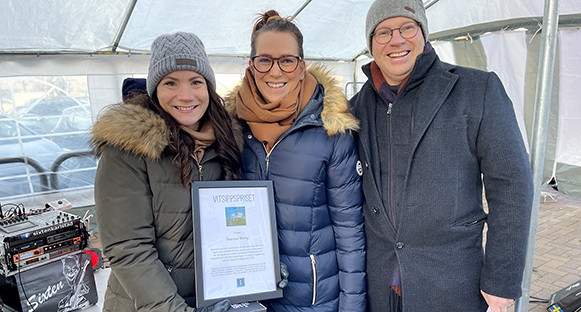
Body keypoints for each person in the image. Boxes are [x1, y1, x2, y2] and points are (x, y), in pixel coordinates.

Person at [349, 0, 534, 311]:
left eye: (407, 27)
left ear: (423, 33)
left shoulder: (477, 89)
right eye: (383, 32)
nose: (396, 40)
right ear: (371, 44)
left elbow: (512, 186)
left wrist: (501, 280)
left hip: (452, 284)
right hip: (378, 286)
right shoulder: (355, 108)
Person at [225, 10, 366, 312]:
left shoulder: (330, 130)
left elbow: (349, 229)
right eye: (265, 60)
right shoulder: (233, 126)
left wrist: (352, 306)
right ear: (251, 66)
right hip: (251, 297)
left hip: (314, 300)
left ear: (301, 68)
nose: (275, 72)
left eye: (287, 60)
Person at [91, 32, 241, 312]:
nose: (186, 95)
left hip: (211, 299)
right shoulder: (128, 149)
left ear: (208, 87)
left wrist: (259, 270)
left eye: (196, 82)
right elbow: (128, 248)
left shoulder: (228, 143)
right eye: (171, 82)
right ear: (154, 89)